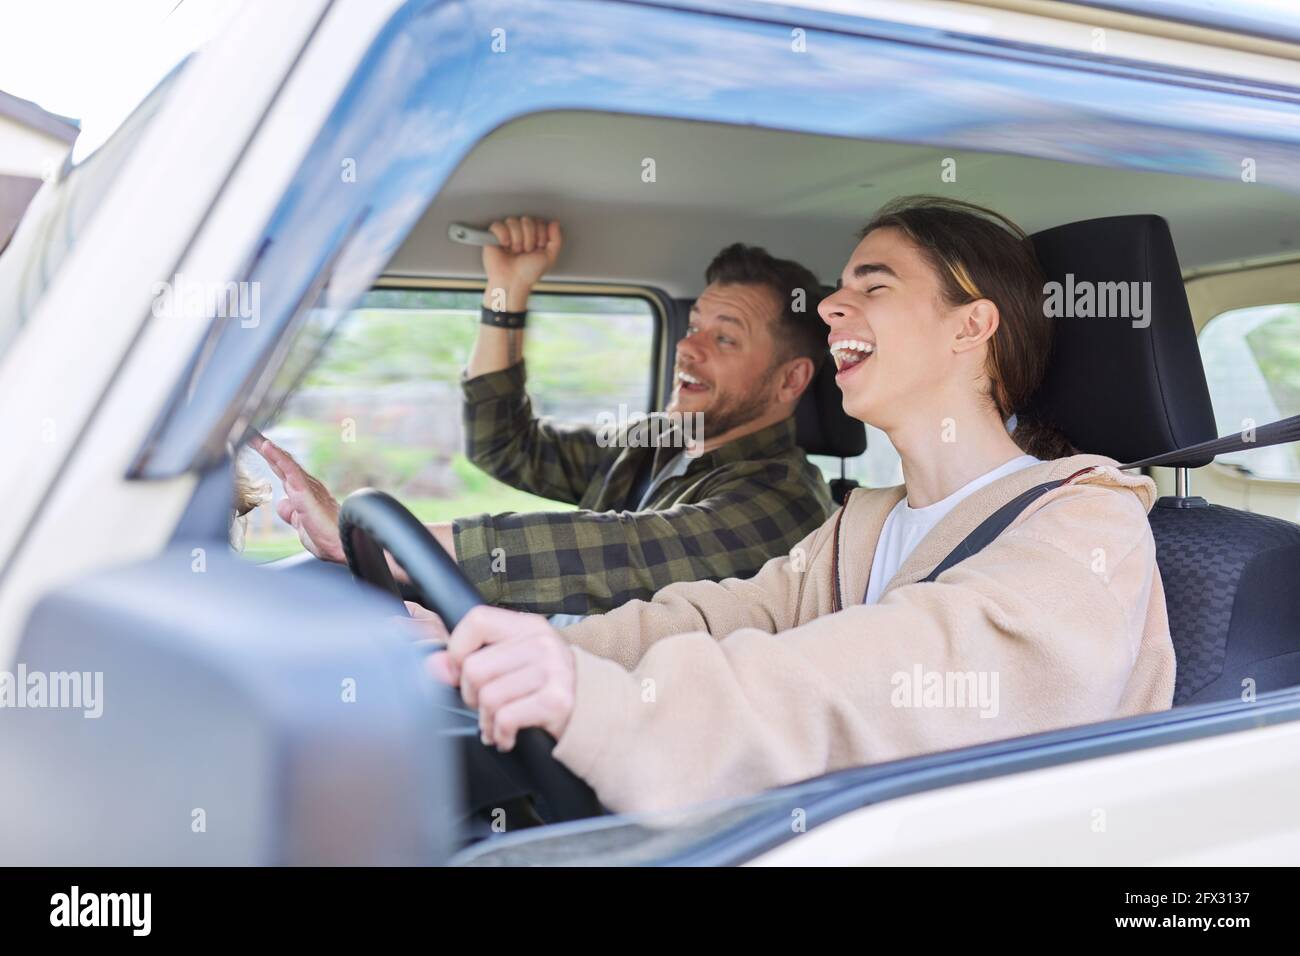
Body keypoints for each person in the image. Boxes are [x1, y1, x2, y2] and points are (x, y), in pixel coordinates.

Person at [426, 196, 1177, 815]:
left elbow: (898, 671)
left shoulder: (1088, 523)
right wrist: (536, 650)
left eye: (873, 287)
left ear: (970, 327)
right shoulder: (861, 524)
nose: (830, 308)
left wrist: (607, 707)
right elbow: (718, 616)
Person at [254, 216, 835, 615]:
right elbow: (506, 446)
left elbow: (625, 550)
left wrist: (386, 546)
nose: (688, 348)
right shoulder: (663, 440)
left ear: (791, 380)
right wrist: (507, 290)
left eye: (725, 339)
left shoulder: (786, 502)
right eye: (693, 327)